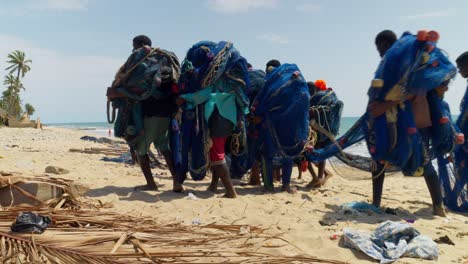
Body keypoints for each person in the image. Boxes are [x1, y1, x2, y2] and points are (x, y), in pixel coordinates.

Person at [368, 30, 451, 216]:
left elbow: (416, 89)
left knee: (424, 163)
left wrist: (385, 105)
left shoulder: (409, 61)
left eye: (383, 46)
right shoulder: (388, 65)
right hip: (391, 122)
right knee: (378, 160)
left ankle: (438, 207)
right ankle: (375, 204)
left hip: (416, 122)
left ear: (392, 45)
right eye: (378, 48)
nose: (380, 51)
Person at [107, 35, 182, 192]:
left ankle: (151, 183)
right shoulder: (165, 61)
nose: (133, 49)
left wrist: (117, 92)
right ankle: (177, 182)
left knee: (141, 149)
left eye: (134, 46)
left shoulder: (142, 63)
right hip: (166, 114)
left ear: (141, 44)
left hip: (149, 115)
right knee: (164, 148)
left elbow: (134, 88)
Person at [176, 41, 250, 198]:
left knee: (217, 154)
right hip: (229, 118)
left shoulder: (216, 80)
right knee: (216, 151)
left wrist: (184, 97)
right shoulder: (231, 80)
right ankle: (214, 185)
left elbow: (204, 95)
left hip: (219, 118)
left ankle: (230, 191)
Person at [306, 80, 342, 187]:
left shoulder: (315, 99)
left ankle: (315, 178)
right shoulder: (330, 97)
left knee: (305, 154)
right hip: (329, 132)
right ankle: (320, 178)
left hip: (317, 132)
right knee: (322, 155)